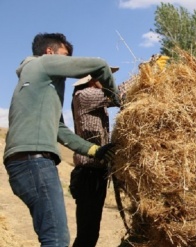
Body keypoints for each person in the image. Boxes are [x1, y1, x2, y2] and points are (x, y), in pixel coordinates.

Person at [3, 32, 119, 247]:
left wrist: (94, 150)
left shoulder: (38, 85)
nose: (67, 64)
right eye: (65, 56)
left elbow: (59, 129)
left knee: (54, 237)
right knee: (56, 240)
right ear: (50, 52)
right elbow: (100, 65)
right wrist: (117, 97)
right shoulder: (43, 64)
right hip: (33, 162)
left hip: (25, 164)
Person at [69, 67, 120, 247]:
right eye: (104, 77)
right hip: (87, 173)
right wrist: (146, 71)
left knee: (91, 232)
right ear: (91, 79)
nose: (107, 80)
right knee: (87, 234)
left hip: (95, 173)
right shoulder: (85, 95)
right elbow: (119, 94)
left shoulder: (94, 97)